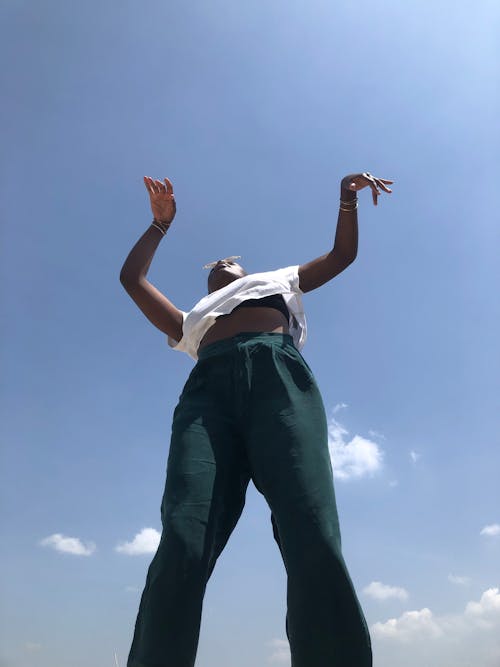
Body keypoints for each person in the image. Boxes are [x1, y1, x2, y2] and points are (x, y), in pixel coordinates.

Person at [119, 171, 393, 667]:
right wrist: (159, 226)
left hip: (278, 380)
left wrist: (345, 197)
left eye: (232, 262)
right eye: (216, 264)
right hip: (207, 400)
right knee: (183, 536)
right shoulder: (191, 319)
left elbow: (341, 256)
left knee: (311, 530)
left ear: (246, 275)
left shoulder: (277, 280)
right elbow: (131, 280)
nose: (224, 263)